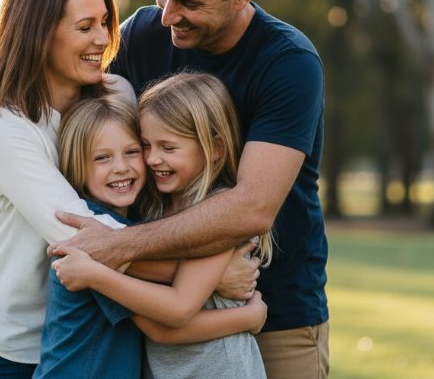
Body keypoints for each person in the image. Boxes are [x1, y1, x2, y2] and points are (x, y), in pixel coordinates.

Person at [0, 0, 329, 378]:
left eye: (189, 4)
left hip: (270, 306)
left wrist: (123, 248)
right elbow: (65, 110)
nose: (168, 16)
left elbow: (252, 208)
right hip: (149, 310)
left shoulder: (288, 64)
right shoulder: (146, 35)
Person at [0, 0, 134, 379]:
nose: (102, 39)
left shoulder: (116, 95)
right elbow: (79, 234)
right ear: (40, 35)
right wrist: (206, 270)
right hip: (11, 343)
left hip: (88, 325)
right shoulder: (4, 125)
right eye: (84, 27)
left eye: (105, 22)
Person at [49, 73, 270, 379]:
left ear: (215, 148)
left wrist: (95, 272)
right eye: (146, 146)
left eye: (168, 147)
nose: (152, 159)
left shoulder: (217, 215)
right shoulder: (150, 210)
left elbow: (176, 311)